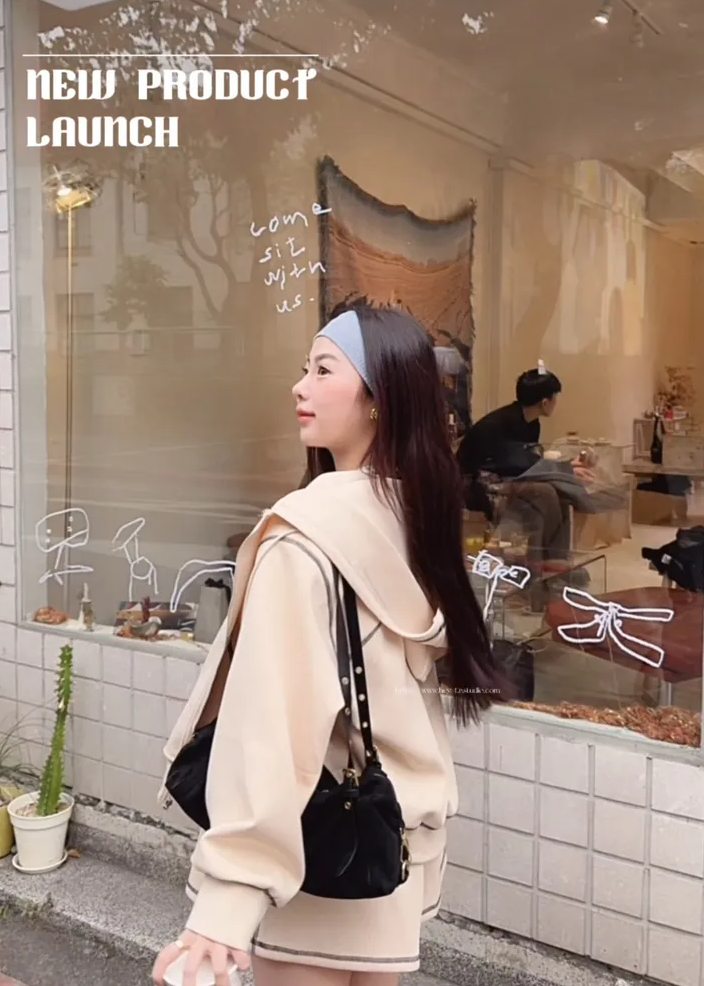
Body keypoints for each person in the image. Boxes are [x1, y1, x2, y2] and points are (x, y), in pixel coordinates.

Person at [152, 305, 502, 986]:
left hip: (321, 851)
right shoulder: (417, 515)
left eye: (322, 369)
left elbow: (273, 723)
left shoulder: (304, 535)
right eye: (304, 369)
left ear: (377, 398)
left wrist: (227, 901)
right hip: (395, 846)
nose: (299, 386)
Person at [457, 366, 593, 563]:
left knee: (559, 493)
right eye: (555, 397)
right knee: (544, 492)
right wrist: (566, 469)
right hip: (477, 484)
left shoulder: (531, 422)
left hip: (507, 476)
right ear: (545, 402)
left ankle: (556, 560)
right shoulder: (500, 424)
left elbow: (525, 462)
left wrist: (565, 469)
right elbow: (519, 463)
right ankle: (542, 561)